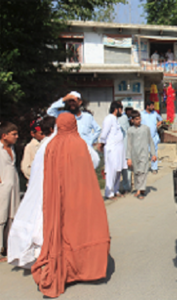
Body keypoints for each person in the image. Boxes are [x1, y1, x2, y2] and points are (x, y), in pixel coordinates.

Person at [30, 113, 110, 298]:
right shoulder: (79, 144)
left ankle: (66, 270)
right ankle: (86, 269)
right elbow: (90, 170)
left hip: (59, 198)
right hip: (81, 197)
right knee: (82, 229)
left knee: (63, 231)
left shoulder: (52, 145)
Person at [8, 119, 101, 269]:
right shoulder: (66, 144)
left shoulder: (45, 147)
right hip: (63, 194)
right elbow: (93, 161)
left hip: (45, 196)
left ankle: (49, 259)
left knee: (45, 227)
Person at [0, 122, 20, 261]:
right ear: (4, 135)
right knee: (0, 218)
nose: (16, 137)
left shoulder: (12, 149)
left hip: (13, 185)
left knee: (12, 217)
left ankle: (9, 247)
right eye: (14, 134)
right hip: (2, 187)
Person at [99, 101, 126, 199]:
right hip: (112, 149)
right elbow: (104, 132)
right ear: (116, 109)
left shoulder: (116, 120)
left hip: (119, 149)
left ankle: (116, 190)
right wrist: (101, 143)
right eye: (121, 109)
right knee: (112, 170)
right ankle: (109, 192)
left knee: (118, 170)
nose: (122, 111)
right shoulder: (109, 119)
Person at [126, 110, 156, 199]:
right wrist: (128, 158)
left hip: (144, 153)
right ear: (132, 120)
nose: (139, 121)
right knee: (136, 172)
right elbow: (129, 144)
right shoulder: (130, 130)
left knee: (143, 171)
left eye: (139, 119)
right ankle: (139, 188)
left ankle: (141, 191)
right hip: (134, 154)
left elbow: (150, 141)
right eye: (136, 119)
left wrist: (153, 154)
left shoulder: (145, 128)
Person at [141, 100, 163, 174]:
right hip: (144, 137)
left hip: (153, 137)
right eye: (152, 105)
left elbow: (161, 120)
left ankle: (154, 168)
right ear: (147, 106)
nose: (153, 107)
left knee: (154, 153)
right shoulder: (141, 114)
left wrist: (157, 124)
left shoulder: (155, 113)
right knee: (143, 154)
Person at [118, 106, 133, 193]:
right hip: (117, 148)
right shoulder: (111, 119)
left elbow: (127, 133)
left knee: (126, 168)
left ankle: (127, 187)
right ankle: (117, 188)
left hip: (125, 146)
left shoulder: (123, 119)